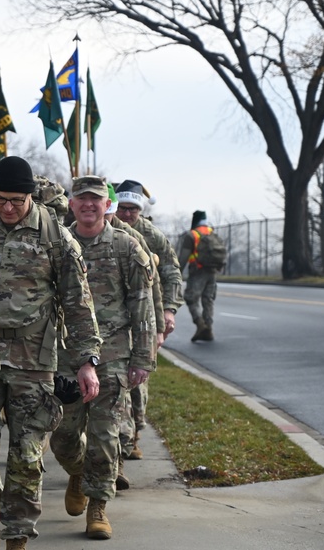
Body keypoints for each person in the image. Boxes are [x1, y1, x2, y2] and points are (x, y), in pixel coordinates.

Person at [0, 156, 102, 550]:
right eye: (0, 199)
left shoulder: (55, 235)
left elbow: (78, 303)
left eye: (16, 201)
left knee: (27, 455)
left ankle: (17, 536)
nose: (7, 208)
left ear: (31, 197)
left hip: (34, 360)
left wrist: (86, 361)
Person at [50, 175, 155, 541]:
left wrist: (143, 357)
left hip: (112, 356)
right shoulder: (57, 243)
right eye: (82, 199)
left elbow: (142, 305)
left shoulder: (126, 247)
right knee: (62, 436)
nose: (89, 205)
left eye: (96, 199)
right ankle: (78, 471)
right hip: (66, 357)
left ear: (106, 204)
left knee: (106, 435)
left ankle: (98, 505)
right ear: (72, 204)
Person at [113, 179, 184, 460]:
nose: (127, 213)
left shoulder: (151, 236)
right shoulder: (105, 229)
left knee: (138, 384)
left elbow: (172, 273)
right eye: (123, 207)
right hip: (114, 321)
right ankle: (121, 440)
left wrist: (168, 310)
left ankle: (134, 432)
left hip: (144, 319)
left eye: (133, 208)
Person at [177, 210, 223, 342]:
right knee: (208, 299)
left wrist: (176, 274)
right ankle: (208, 328)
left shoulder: (192, 235)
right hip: (212, 271)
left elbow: (183, 258)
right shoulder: (211, 232)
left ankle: (200, 325)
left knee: (191, 298)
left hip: (198, 271)